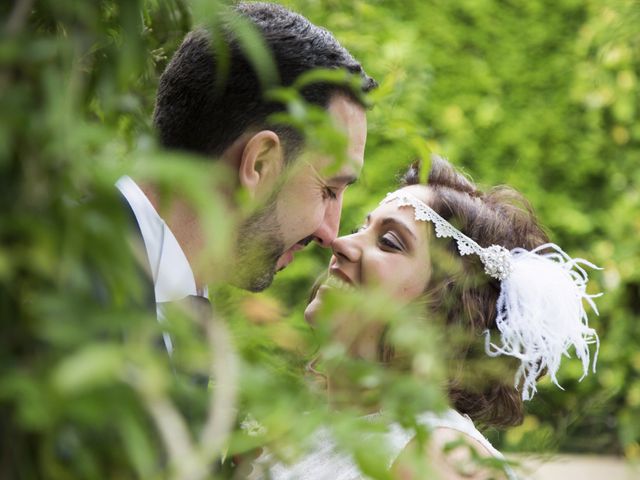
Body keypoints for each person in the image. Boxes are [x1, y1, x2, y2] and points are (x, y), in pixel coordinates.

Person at [254, 156, 600, 479]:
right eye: (363, 227)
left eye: (389, 242)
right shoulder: (294, 428)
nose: (341, 243)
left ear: (446, 310)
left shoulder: (441, 459)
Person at [117, 1, 377, 328]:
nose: (330, 234)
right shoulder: (57, 276)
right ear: (259, 164)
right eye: (328, 190)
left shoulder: (183, 312)